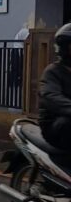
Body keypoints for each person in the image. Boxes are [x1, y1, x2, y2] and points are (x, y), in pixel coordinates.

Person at [39, 23, 71, 152]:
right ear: (64, 47)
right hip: (54, 125)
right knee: (67, 123)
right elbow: (51, 97)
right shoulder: (52, 71)